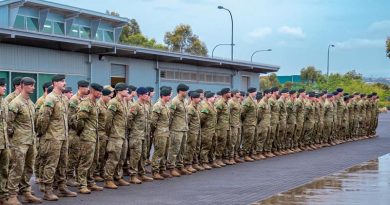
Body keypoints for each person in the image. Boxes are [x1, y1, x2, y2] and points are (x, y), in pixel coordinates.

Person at [37, 74, 77, 201]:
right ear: (54, 83)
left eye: (64, 81)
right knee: (51, 164)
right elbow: (43, 119)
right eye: (61, 81)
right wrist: (43, 133)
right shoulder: (50, 98)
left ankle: (62, 187)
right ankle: (48, 190)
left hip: (63, 136)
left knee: (63, 163)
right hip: (53, 137)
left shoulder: (64, 99)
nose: (64, 83)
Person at [75, 83, 104, 194]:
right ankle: (82, 184)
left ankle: (90, 181)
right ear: (92, 91)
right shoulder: (86, 103)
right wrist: (82, 132)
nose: (100, 93)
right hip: (87, 136)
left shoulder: (95, 103)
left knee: (94, 160)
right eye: (98, 91)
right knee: (85, 161)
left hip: (94, 136)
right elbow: (80, 120)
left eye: (101, 92)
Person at [103, 83, 129, 189]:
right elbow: (108, 120)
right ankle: (108, 179)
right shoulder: (113, 103)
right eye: (125, 90)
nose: (127, 91)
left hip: (123, 134)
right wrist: (109, 133)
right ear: (119, 91)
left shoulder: (123, 102)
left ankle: (117, 177)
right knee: (113, 158)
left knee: (121, 158)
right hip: (115, 135)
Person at [127, 87, 154, 184]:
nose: (148, 96)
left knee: (143, 155)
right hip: (136, 135)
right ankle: (133, 175)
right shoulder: (135, 105)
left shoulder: (146, 105)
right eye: (146, 94)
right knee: (135, 156)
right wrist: (133, 130)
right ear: (141, 95)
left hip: (145, 134)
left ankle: (141, 174)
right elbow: (129, 119)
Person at [67, 80, 90, 187]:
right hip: (74, 132)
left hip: (83, 132)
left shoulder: (85, 99)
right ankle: (69, 177)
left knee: (80, 156)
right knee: (73, 156)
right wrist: (77, 128)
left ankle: (76, 177)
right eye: (86, 88)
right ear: (80, 88)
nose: (88, 89)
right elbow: (70, 117)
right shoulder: (74, 100)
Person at [167, 84, 190, 177]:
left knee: (182, 149)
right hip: (176, 129)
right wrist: (170, 129)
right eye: (185, 91)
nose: (187, 92)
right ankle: (171, 168)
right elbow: (170, 116)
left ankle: (180, 166)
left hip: (184, 128)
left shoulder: (185, 101)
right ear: (181, 91)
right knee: (174, 149)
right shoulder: (174, 101)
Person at [150, 88, 172, 179]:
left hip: (166, 132)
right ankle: (155, 171)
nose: (170, 97)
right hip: (160, 133)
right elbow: (153, 121)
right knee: (159, 152)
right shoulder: (157, 106)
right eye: (169, 95)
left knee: (165, 152)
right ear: (164, 96)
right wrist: (156, 131)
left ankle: (161, 170)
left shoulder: (166, 106)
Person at [0, 78, 13, 205]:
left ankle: (3, 196)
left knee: (4, 169)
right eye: (2, 86)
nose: (4, 88)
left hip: (4, 142)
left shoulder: (4, 102)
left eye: (4, 85)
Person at [184, 91, 202, 173]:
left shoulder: (197, 107)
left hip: (197, 130)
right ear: (192, 99)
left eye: (199, 98)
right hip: (192, 131)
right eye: (197, 98)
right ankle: (188, 164)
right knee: (190, 148)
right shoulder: (190, 108)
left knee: (196, 147)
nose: (199, 99)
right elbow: (187, 121)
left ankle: (195, 163)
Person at [199, 92, 217, 169]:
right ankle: (203, 162)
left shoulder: (213, 106)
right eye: (213, 97)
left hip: (213, 129)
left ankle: (211, 160)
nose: (215, 98)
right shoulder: (205, 107)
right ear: (208, 98)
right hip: (207, 130)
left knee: (213, 146)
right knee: (206, 146)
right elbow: (202, 119)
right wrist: (204, 127)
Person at [214, 88, 232, 166]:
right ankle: (218, 159)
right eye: (229, 92)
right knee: (220, 143)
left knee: (226, 143)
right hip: (221, 127)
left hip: (226, 126)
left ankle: (224, 158)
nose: (230, 93)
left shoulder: (226, 102)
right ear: (225, 94)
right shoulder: (220, 103)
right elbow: (216, 116)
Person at [240, 87, 258, 162]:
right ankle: (245, 155)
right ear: (251, 92)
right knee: (247, 139)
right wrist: (246, 120)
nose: (256, 93)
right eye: (255, 92)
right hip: (248, 123)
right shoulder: (247, 101)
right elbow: (242, 112)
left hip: (253, 123)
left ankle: (250, 154)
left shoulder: (252, 100)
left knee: (252, 139)